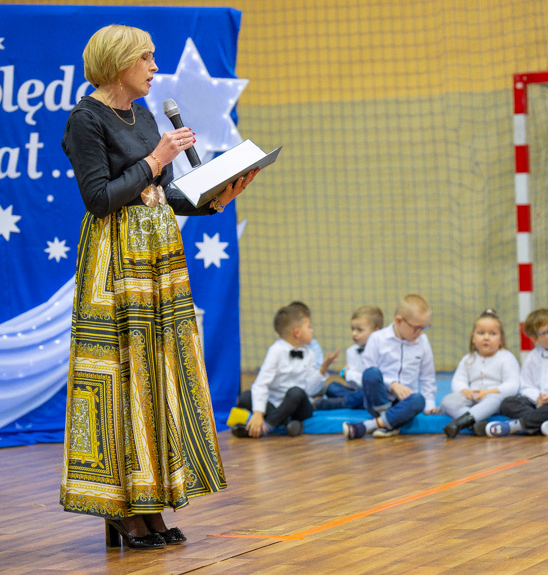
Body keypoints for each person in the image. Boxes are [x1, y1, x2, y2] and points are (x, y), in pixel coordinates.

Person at [59, 24, 258, 550]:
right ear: (119, 62)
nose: (153, 67)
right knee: (121, 372)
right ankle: (119, 507)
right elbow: (99, 198)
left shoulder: (143, 114)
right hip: (116, 260)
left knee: (155, 371)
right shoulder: (86, 119)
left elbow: (163, 194)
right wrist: (156, 159)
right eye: (146, 59)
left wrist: (216, 197)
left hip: (158, 258)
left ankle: (149, 500)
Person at [231, 304, 339, 438]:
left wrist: (323, 369)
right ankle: (288, 424)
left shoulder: (310, 354)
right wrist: (258, 413)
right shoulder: (276, 351)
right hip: (276, 406)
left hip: (299, 407)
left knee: (296, 392)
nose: (312, 331)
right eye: (309, 327)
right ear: (297, 332)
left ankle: (267, 426)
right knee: (246, 397)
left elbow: (310, 390)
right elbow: (261, 384)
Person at [342, 294, 437, 439]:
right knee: (371, 373)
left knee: (419, 400)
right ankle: (388, 420)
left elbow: (427, 376)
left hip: (404, 404)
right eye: (417, 328)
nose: (421, 332)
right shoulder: (377, 338)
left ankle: (371, 425)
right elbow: (366, 376)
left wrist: (430, 404)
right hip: (378, 400)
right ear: (399, 321)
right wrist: (392, 385)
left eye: (425, 327)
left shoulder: (423, 341)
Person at [486, 308, 548, 437]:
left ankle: (516, 426)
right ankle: (547, 424)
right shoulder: (531, 358)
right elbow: (526, 386)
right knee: (508, 403)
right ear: (535, 339)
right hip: (537, 403)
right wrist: (538, 398)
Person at [441, 309, 520, 438]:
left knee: (495, 401)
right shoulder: (468, 359)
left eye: (492, 334)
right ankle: (475, 422)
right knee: (447, 401)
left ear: (501, 339)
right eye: (481, 333)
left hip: (492, 397)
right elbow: (458, 380)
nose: (486, 338)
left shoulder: (507, 358)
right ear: (473, 338)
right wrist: (465, 391)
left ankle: (459, 423)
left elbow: (512, 384)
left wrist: (489, 392)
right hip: (472, 397)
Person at [314, 305, 383, 410]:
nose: (354, 333)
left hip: (372, 393)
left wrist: (347, 373)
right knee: (332, 387)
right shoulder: (351, 351)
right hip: (356, 392)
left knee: (369, 394)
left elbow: (369, 382)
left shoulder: (382, 351)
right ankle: (354, 402)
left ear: (376, 332)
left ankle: (336, 403)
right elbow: (352, 382)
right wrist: (347, 375)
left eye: (360, 330)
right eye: (353, 329)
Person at [287, 301, 325, 365]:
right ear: (296, 331)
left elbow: (318, 369)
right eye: (309, 327)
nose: (312, 330)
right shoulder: (279, 348)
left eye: (310, 326)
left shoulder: (313, 346)